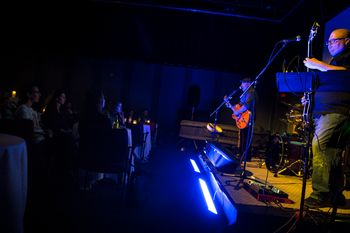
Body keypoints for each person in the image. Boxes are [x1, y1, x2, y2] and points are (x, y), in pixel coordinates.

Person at [302, 28, 350, 208]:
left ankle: (320, 194)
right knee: (332, 153)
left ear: (347, 41)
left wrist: (319, 65)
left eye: (334, 41)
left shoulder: (346, 59)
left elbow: (345, 75)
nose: (329, 45)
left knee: (319, 145)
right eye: (328, 42)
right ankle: (335, 194)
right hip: (327, 111)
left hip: (336, 111)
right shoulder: (335, 61)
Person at [225, 77, 256, 162]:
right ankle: (242, 155)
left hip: (249, 117)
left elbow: (247, 106)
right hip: (244, 116)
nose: (241, 85)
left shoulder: (251, 92)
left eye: (242, 83)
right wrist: (230, 105)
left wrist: (237, 112)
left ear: (248, 83)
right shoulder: (244, 93)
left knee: (246, 137)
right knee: (243, 136)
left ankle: (246, 156)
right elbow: (240, 105)